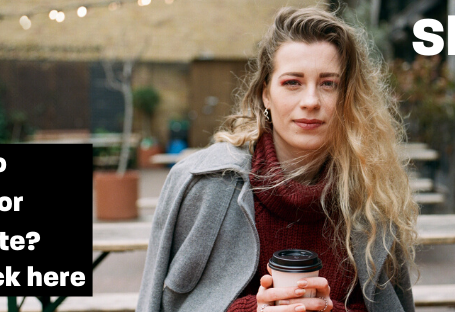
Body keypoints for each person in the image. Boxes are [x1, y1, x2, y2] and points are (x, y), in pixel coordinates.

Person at [136, 6, 418, 312]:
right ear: (265, 94)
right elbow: (164, 305)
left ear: (348, 96)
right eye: (292, 83)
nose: (310, 101)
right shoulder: (204, 183)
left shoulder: (373, 190)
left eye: (328, 84)